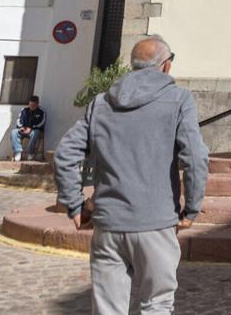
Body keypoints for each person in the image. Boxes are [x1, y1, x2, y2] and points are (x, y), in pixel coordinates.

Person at [55, 36, 209, 315]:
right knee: (157, 305)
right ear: (166, 66)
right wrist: (192, 208)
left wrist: (74, 204)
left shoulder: (101, 102)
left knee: (107, 309)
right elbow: (195, 158)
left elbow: (65, 153)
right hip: (156, 221)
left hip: (109, 223)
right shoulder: (178, 99)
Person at [11, 95, 47, 161]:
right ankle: (18, 152)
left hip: (34, 130)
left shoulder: (41, 112)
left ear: (37, 104)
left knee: (35, 133)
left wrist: (31, 128)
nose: (31, 107)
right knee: (14, 132)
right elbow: (19, 120)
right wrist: (22, 127)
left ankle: (31, 153)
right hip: (23, 129)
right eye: (30, 105)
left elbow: (42, 122)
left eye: (33, 105)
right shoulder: (24, 110)